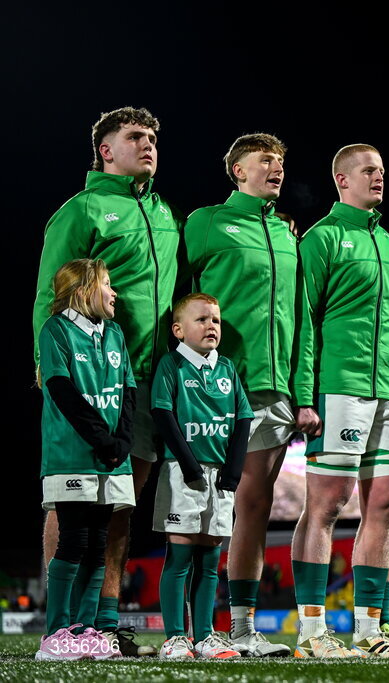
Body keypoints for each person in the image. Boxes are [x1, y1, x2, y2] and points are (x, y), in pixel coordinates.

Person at [33, 107, 180, 656]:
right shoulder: (82, 209)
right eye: (134, 137)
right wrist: (46, 370)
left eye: (152, 139)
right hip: (88, 377)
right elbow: (51, 296)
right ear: (105, 150)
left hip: (145, 380)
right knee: (70, 507)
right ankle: (61, 625)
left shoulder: (165, 212)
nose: (147, 146)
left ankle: (105, 618)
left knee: (121, 505)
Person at [290, 144, 389, 659]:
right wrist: (305, 396)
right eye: (368, 171)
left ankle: (370, 630)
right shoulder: (323, 238)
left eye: (383, 172)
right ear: (341, 180)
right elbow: (305, 322)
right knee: (326, 504)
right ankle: (310, 633)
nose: (379, 178)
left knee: (386, 508)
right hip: (338, 387)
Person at [182, 133, 296, 657]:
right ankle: (192, 631)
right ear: (236, 170)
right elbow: (177, 300)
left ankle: (243, 626)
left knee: (253, 504)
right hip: (215, 385)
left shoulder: (288, 233)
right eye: (264, 161)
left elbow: (302, 318)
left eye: (280, 162)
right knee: (201, 507)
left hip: (273, 388)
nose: (275, 168)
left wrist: (301, 387)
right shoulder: (204, 222)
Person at [35, 259, 133, 661]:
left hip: (111, 456)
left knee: (98, 543)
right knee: (74, 539)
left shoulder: (115, 333)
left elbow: (128, 389)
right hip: (72, 454)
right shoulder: (55, 330)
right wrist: (101, 438)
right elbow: (61, 389)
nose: (115, 293)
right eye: (107, 284)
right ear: (82, 291)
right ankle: (56, 632)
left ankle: (87, 628)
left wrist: (123, 439)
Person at [151, 294, 253, 660]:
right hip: (183, 473)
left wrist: (234, 469)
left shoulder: (226, 368)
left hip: (220, 478)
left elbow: (243, 419)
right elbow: (162, 414)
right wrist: (190, 466)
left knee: (210, 560)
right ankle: (175, 638)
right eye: (202, 319)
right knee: (179, 557)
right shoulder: (171, 365)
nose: (212, 326)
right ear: (178, 330)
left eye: (216, 320)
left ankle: (206, 635)